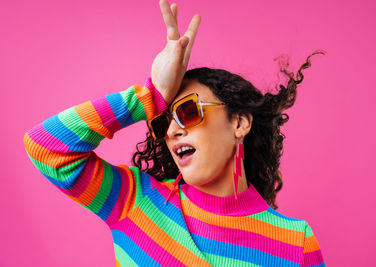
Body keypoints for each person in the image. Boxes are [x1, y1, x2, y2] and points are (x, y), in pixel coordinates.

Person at [23, 0, 326, 266]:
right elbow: (45, 146)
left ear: (239, 123)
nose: (170, 130)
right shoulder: (135, 200)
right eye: (162, 121)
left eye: (188, 112)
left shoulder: (295, 243)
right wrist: (150, 98)